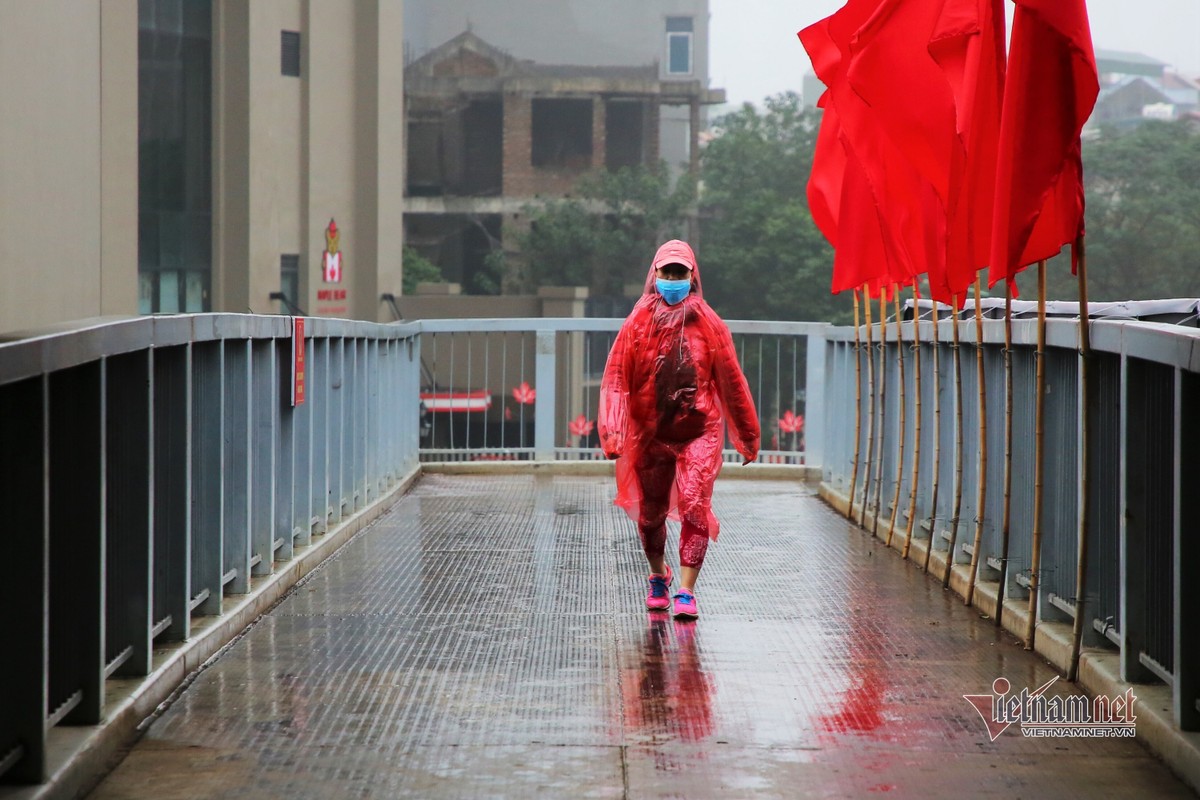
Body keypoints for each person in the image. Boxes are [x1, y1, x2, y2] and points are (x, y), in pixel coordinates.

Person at [598, 239, 760, 619]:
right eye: (666, 273)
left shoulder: (708, 323)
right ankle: (659, 577)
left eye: (679, 273)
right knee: (650, 514)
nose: (672, 280)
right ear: (655, 275)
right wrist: (613, 430)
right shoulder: (637, 321)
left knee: (694, 504)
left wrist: (747, 435)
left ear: (692, 276)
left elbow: (731, 383)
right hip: (650, 432)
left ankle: (686, 591)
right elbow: (617, 378)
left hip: (697, 429)